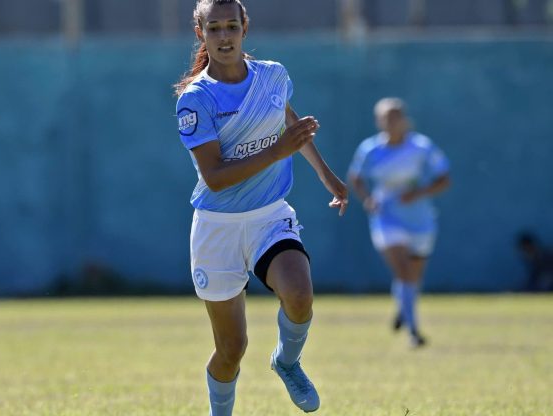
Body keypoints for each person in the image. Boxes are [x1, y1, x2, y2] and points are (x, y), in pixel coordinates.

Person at [174, 1, 348, 414]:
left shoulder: (273, 75)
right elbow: (215, 176)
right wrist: (276, 152)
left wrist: (327, 175)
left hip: (269, 214)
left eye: (231, 26)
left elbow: (288, 123)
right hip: (217, 227)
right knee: (231, 349)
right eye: (213, 28)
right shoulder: (195, 99)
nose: (224, 36)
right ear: (201, 33)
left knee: (300, 295)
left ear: (245, 28)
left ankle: (287, 362)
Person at [348, 97, 450, 348]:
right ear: (378, 121)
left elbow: (444, 178)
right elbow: (356, 177)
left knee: (412, 276)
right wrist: (368, 199)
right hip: (386, 218)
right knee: (403, 271)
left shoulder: (421, 147)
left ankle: (403, 309)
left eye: (396, 116)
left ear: (404, 119)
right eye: (386, 117)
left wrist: (418, 193)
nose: (391, 121)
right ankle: (415, 332)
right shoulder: (370, 149)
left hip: (421, 220)